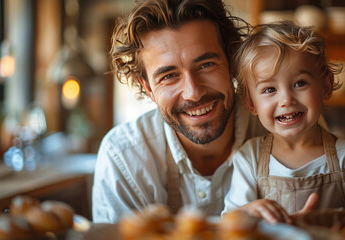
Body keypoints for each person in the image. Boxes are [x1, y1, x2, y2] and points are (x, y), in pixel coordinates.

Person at [91, 0, 318, 223]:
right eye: (169, 76)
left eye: (206, 65)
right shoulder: (123, 157)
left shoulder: (291, 123)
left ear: (232, 62)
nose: (194, 92)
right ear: (148, 88)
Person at [222, 21, 345, 224]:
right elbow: (229, 224)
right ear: (251, 103)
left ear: (326, 87)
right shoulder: (249, 159)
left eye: (300, 83)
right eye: (269, 89)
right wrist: (250, 210)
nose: (286, 100)